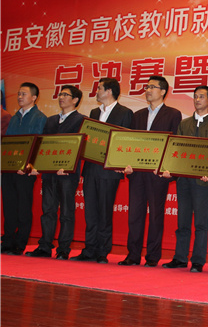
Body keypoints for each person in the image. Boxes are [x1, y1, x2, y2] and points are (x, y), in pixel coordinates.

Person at [118, 76, 182, 267]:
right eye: (146, 87)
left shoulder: (173, 114)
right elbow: (130, 143)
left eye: (152, 87)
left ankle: (153, 256)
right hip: (137, 173)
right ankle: (133, 255)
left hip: (157, 173)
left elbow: (174, 144)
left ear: (163, 91)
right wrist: (127, 164)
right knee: (135, 215)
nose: (147, 90)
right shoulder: (137, 115)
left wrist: (168, 169)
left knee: (155, 215)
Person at [161, 85, 208, 273]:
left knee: (200, 223)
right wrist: (171, 170)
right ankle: (180, 258)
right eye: (195, 96)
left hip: (202, 182)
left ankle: (198, 260)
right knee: (182, 221)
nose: (197, 100)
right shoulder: (184, 124)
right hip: (183, 180)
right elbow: (177, 150)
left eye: (202, 97)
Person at [71, 78, 133, 264]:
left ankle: (102, 251)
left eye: (99, 88)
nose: (96, 92)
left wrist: (121, 164)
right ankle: (89, 249)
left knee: (104, 212)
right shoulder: (94, 112)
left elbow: (126, 141)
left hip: (109, 171)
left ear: (109, 91)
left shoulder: (125, 113)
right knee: (90, 212)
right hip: (91, 168)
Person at [26, 85, 85, 259]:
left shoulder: (81, 120)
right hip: (49, 173)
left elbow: (79, 147)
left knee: (66, 212)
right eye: (60, 94)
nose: (61, 97)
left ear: (75, 100)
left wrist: (67, 165)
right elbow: (43, 145)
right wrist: (37, 165)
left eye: (66, 94)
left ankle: (63, 249)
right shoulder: (51, 120)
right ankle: (45, 246)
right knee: (48, 210)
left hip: (67, 174)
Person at [1, 82, 47, 255]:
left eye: (24, 94)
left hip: (25, 170)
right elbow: (8, 144)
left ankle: (20, 243)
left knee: (23, 206)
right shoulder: (14, 117)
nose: (20, 97)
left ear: (34, 97)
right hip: (9, 169)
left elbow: (38, 143)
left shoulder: (40, 117)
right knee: (9, 206)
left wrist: (28, 165)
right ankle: (7, 241)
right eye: (19, 93)